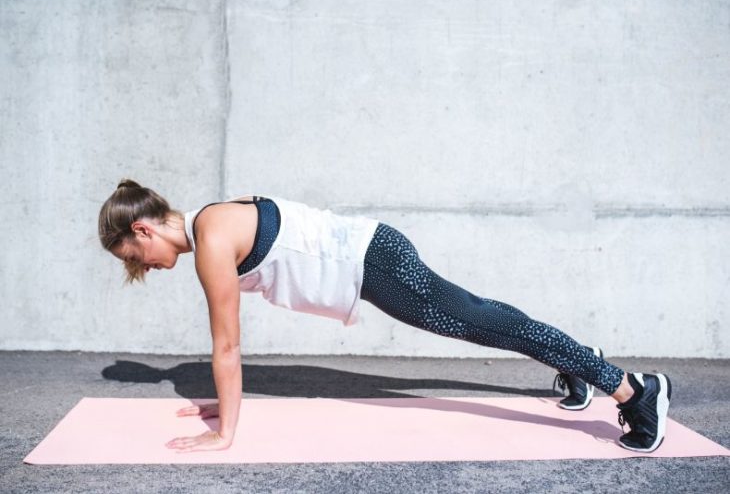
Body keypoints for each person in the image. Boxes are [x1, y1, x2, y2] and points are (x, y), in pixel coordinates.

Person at [98, 179, 672, 454]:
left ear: (143, 228)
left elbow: (226, 347)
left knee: (479, 321)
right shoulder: (210, 221)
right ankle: (580, 362)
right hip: (372, 259)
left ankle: (633, 390)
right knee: (482, 316)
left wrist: (224, 433)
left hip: (373, 263)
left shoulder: (212, 237)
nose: (145, 267)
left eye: (134, 257)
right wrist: (222, 405)